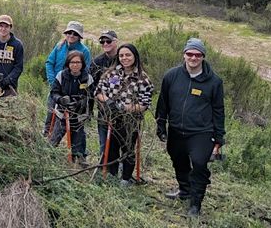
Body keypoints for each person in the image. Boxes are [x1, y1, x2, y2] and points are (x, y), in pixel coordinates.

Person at [155, 38, 226, 218]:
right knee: (178, 160)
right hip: (176, 129)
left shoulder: (214, 82)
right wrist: (161, 124)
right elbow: (163, 102)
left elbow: (218, 110)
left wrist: (219, 137)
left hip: (202, 132)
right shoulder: (171, 76)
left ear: (203, 57)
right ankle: (184, 190)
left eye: (197, 55)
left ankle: (195, 204)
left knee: (200, 164)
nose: (193, 58)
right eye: (190, 54)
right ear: (184, 55)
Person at [94, 43, 153, 187]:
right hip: (110, 118)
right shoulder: (110, 74)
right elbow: (98, 92)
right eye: (121, 55)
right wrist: (108, 102)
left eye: (128, 55)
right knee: (111, 148)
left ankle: (126, 179)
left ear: (135, 56)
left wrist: (127, 108)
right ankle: (112, 176)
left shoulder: (143, 79)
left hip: (130, 121)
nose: (124, 58)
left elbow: (144, 104)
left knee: (128, 149)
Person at [44, 21, 92, 139]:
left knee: (72, 121)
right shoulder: (59, 46)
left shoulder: (84, 51)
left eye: (74, 34)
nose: (71, 35)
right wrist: (53, 81)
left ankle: (75, 150)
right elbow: (49, 63)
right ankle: (47, 140)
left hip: (73, 92)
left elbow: (85, 73)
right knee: (51, 115)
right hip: (56, 88)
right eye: (69, 32)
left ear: (79, 36)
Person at [49, 51, 93, 164]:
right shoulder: (61, 75)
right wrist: (60, 99)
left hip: (79, 115)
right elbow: (54, 93)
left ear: (82, 63)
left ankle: (79, 159)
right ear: (68, 63)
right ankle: (48, 157)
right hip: (62, 113)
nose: (75, 65)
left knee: (78, 139)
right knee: (54, 139)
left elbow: (90, 97)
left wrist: (80, 103)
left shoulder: (87, 78)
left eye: (78, 62)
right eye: (72, 62)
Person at [90, 30, 121, 159]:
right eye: (102, 41)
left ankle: (122, 170)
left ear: (116, 41)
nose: (105, 43)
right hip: (104, 108)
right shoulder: (97, 62)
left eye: (108, 41)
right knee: (104, 141)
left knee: (121, 141)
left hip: (123, 109)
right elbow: (91, 85)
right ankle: (104, 166)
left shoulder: (124, 58)